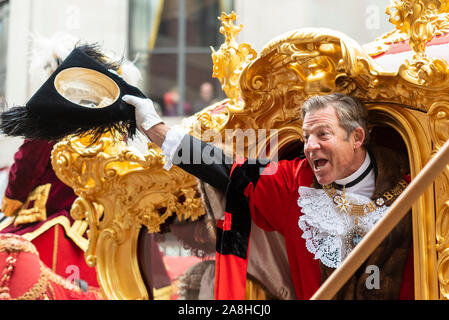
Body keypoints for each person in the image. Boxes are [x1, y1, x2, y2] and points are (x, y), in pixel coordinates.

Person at [121, 92, 414, 300]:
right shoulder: (292, 182)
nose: (310, 146)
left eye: (323, 134)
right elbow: (226, 169)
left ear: (357, 138)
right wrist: (153, 127)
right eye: (306, 137)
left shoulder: (413, 187)